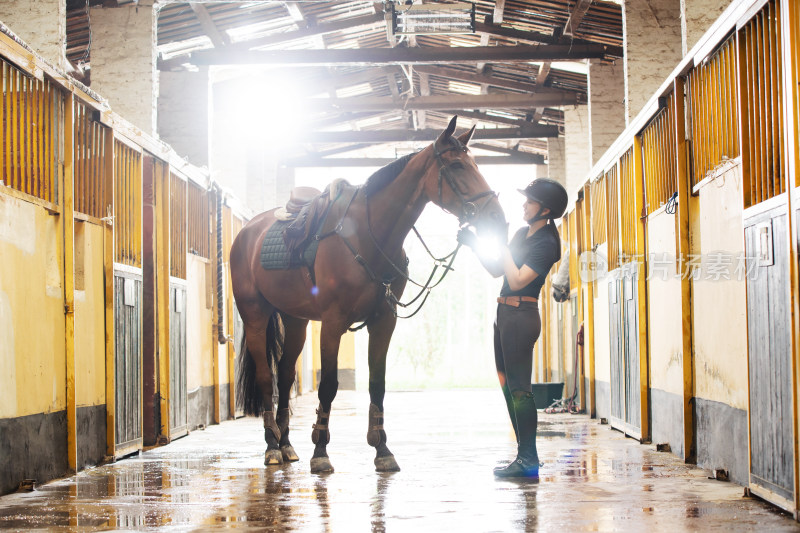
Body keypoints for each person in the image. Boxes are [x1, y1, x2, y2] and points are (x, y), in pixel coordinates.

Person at [458, 178, 567, 478]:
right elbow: (498, 269)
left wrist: (503, 245)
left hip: (521, 315)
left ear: (545, 210)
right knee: (509, 388)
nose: (524, 205)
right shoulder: (523, 234)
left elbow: (518, 279)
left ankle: (529, 458)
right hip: (504, 313)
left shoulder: (547, 243)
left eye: (529, 201)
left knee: (520, 390)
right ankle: (524, 455)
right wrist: (476, 244)